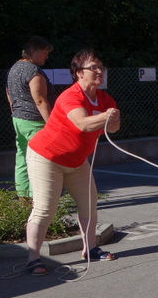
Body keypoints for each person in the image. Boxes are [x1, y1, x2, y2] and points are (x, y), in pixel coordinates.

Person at [23, 49, 120, 276]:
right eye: (93, 67)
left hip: (77, 162)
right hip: (47, 158)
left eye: (101, 67)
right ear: (78, 73)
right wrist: (105, 116)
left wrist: (113, 118)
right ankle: (32, 259)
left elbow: (114, 129)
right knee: (44, 210)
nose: (99, 71)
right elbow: (82, 124)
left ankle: (90, 249)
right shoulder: (71, 96)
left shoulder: (105, 99)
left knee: (89, 205)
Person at [5, 36, 53, 202]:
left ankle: (24, 196)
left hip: (18, 119)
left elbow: (8, 92)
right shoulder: (33, 71)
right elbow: (40, 100)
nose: (46, 56)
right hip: (35, 121)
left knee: (22, 157)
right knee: (39, 160)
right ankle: (37, 198)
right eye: (44, 52)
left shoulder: (14, 68)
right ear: (32, 51)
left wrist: (15, 110)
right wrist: (52, 124)